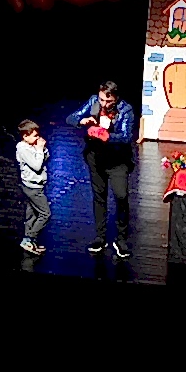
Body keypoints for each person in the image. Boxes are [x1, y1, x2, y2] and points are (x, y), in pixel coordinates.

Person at [66, 81, 136, 257]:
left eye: (108, 101)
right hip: (96, 158)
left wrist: (106, 136)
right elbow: (71, 118)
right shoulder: (93, 102)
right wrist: (82, 121)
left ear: (116, 98)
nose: (104, 104)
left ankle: (121, 239)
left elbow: (126, 136)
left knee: (121, 196)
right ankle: (100, 237)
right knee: (99, 196)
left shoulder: (125, 110)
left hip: (117, 161)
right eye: (101, 99)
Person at [15, 119, 51, 256]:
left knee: (32, 214)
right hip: (32, 187)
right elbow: (36, 165)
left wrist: (43, 149)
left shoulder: (32, 146)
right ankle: (29, 238)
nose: (37, 138)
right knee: (45, 214)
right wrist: (39, 150)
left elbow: (45, 159)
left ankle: (29, 241)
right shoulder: (23, 149)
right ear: (25, 136)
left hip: (37, 186)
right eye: (35, 136)